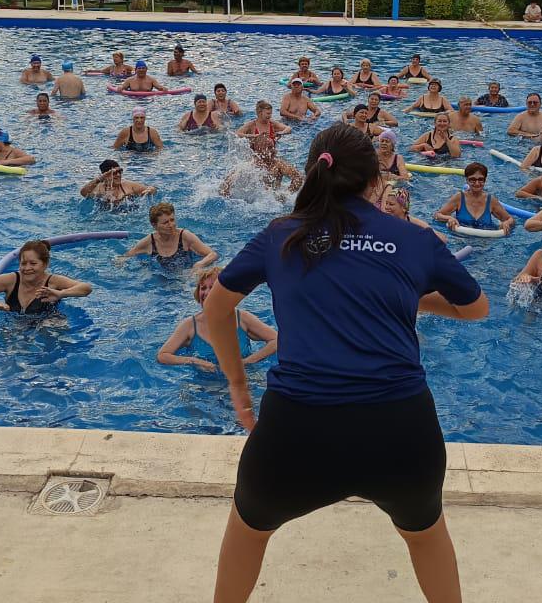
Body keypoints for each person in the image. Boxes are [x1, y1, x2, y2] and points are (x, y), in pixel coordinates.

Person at [198, 124, 487, 602]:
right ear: (376, 181)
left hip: (296, 429)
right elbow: (477, 308)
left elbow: (217, 306)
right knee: (426, 535)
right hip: (401, 430)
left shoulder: (282, 236)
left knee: (249, 531)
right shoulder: (413, 239)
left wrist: (238, 386)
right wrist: (414, 299)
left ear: (314, 172)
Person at [157, 272, 278, 373]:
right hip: (203, 388)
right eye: (203, 288)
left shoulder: (242, 319)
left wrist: (247, 361)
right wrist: (194, 361)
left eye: (213, 287)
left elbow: (277, 340)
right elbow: (163, 355)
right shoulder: (189, 325)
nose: (207, 292)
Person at [0, 238, 93, 314]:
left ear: (45, 264)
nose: (27, 268)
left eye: (33, 263)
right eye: (23, 263)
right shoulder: (11, 280)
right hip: (16, 324)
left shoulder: (53, 281)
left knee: (54, 326)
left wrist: (61, 293)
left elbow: (86, 288)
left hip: (48, 320)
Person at [121, 202, 217, 273]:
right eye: (165, 222)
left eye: (172, 220)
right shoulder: (149, 242)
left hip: (186, 275)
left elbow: (212, 254)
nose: (171, 225)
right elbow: (126, 256)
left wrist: (199, 264)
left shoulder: (185, 236)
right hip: (162, 276)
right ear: (154, 225)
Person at [434, 162, 515, 235]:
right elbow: (437, 215)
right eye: (472, 179)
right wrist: (449, 218)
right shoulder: (459, 198)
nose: (477, 183)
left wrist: (506, 223)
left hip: (486, 242)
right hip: (462, 239)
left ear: (485, 180)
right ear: (467, 180)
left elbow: (510, 219)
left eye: (480, 179)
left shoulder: (491, 201)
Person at [380, 184, 446, 242]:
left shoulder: (415, 223)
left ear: (403, 208)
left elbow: (442, 239)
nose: (386, 207)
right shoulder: (384, 221)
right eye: (386, 203)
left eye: (391, 204)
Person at [79, 159, 156, 204]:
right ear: (105, 175)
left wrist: (150, 190)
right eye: (114, 173)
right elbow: (83, 193)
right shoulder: (98, 189)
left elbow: (152, 189)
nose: (118, 175)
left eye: (120, 171)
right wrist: (100, 178)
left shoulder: (129, 185)